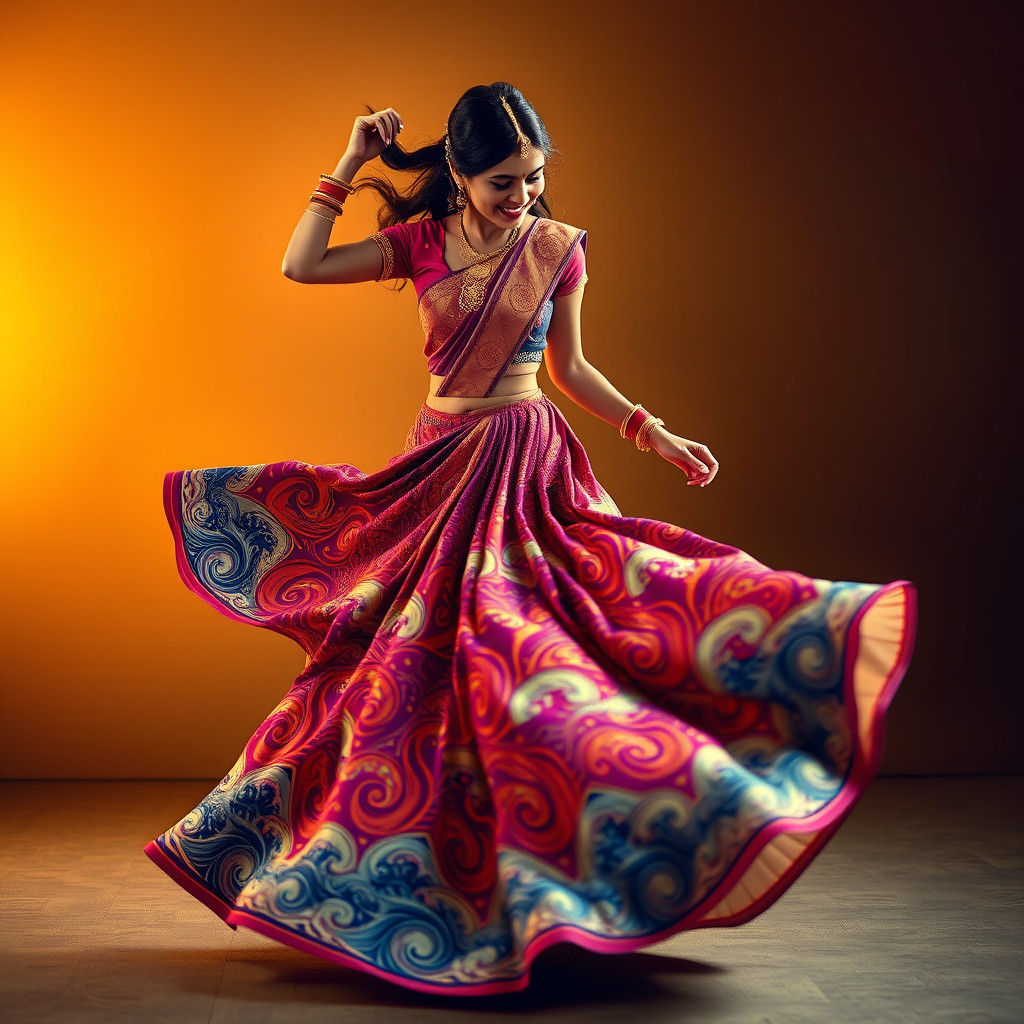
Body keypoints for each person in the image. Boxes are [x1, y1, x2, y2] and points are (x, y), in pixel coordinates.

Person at [143, 82, 918, 997]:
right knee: (395, 678)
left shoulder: (556, 250)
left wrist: (652, 432)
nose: (524, 197)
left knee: (543, 660)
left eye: (537, 178)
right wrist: (348, 165)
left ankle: (568, 873)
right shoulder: (423, 244)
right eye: (505, 181)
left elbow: (573, 369)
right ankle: (388, 878)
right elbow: (301, 266)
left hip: (527, 469)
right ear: (461, 175)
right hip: (437, 470)